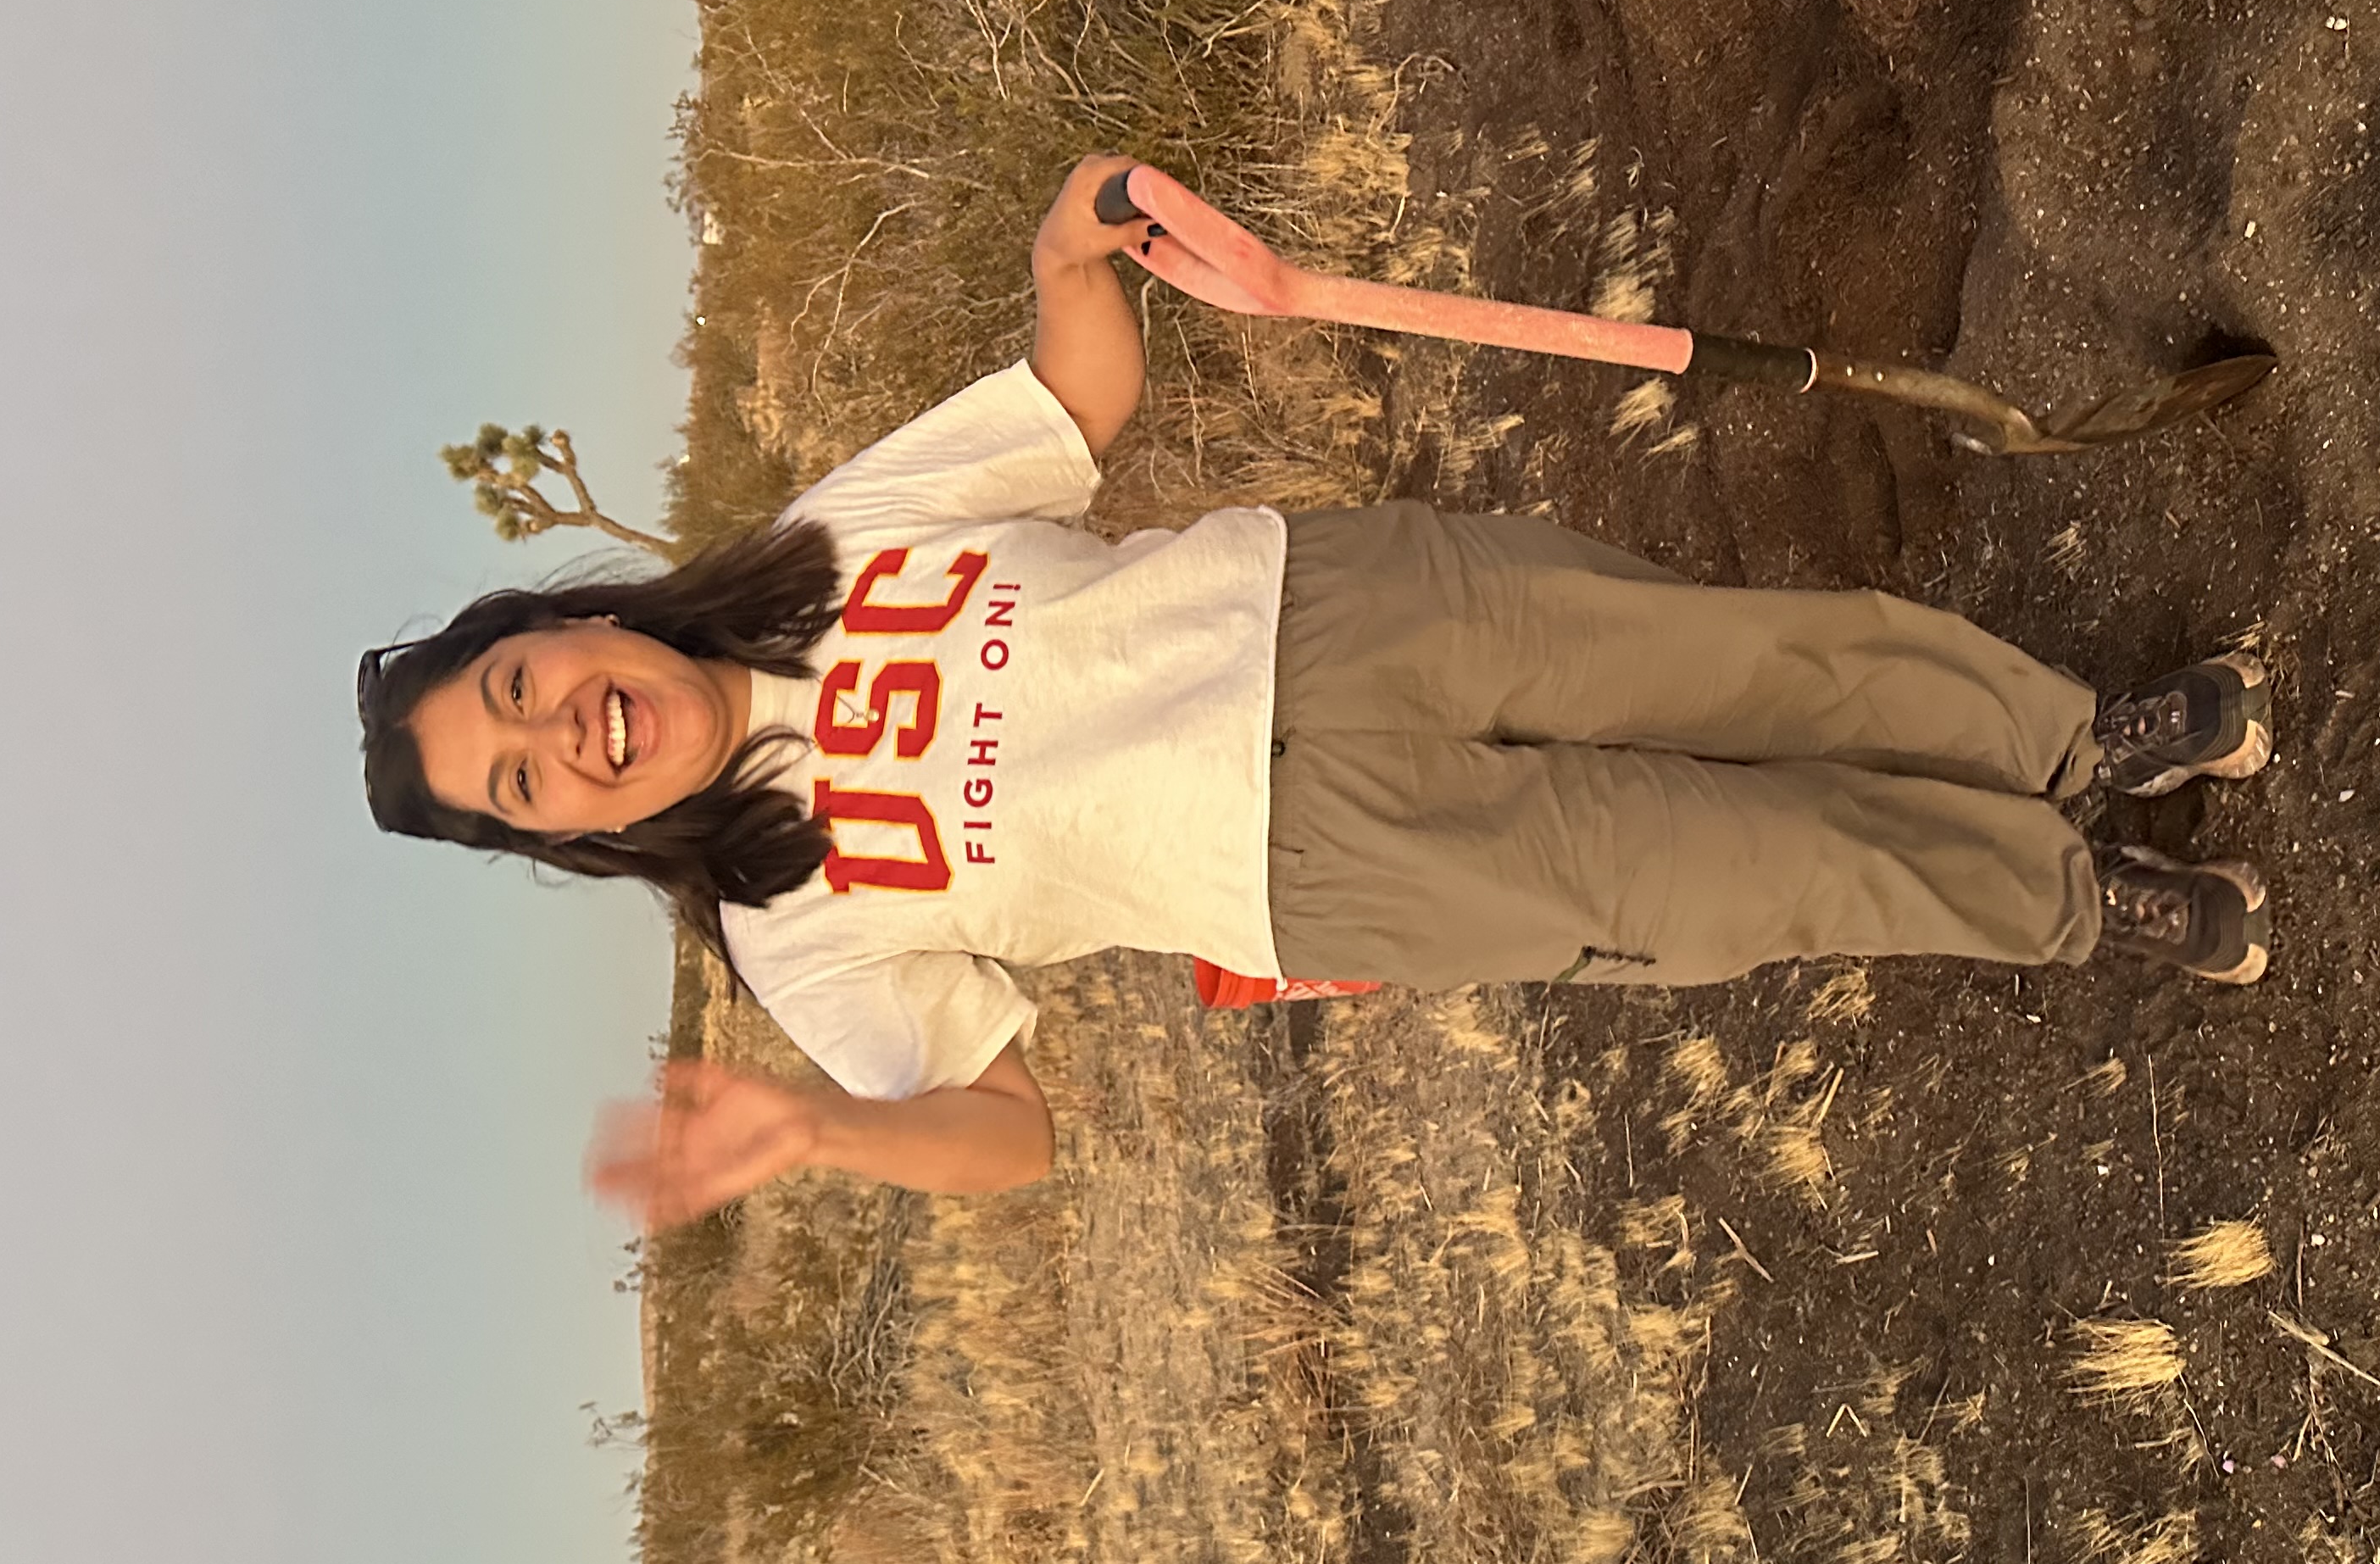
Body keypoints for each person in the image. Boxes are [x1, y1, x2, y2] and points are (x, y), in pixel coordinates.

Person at [359, 158, 2273, 1225]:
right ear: (578, 837)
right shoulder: (791, 938)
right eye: (526, 785)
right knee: (1742, 875)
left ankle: (2071, 739)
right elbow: (1008, 1132)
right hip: (1323, 873)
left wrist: (1064, 259)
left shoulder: (817, 545)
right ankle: (2073, 899)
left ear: (566, 623)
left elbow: (1067, 416)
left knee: (1767, 658)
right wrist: (816, 1132)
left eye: (519, 688)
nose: (560, 735)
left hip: (1348, 608)